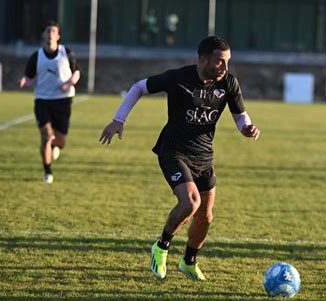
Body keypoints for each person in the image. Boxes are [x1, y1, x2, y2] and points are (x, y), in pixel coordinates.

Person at [100, 36, 260, 280]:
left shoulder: (228, 82)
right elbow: (139, 87)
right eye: (219, 61)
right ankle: (161, 246)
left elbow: (240, 116)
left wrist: (247, 128)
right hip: (173, 151)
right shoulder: (179, 78)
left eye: (227, 62)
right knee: (190, 203)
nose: (225, 68)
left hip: (204, 155)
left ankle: (188, 261)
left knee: (205, 216)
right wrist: (118, 119)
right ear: (203, 59)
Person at [19, 21, 80, 184]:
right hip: (42, 99)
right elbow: (29, 76)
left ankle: (56, 145)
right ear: (43, 35)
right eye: (48, 31)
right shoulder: (36, 56)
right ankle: (48, 171)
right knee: (46, 135)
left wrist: (69, 83)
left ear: (58, 36)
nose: (50, 34)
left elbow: (77, 73)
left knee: (60, 141)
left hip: (63, 100)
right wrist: (24, 81)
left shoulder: (66, 53)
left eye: (53, 31)